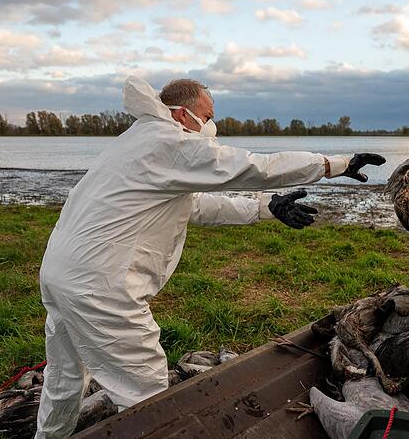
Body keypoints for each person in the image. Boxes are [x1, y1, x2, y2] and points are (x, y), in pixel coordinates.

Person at [35, 75, 386, 438]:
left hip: (60, 274)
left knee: (64, 377)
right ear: (183, 114)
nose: (211, 125)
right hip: (101, 287)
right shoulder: (169, 142)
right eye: (207, 114)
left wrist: (268, 208)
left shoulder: (139, 140)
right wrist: (334, 165)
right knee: (147, 397)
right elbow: (254, 167)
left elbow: (194, 206)